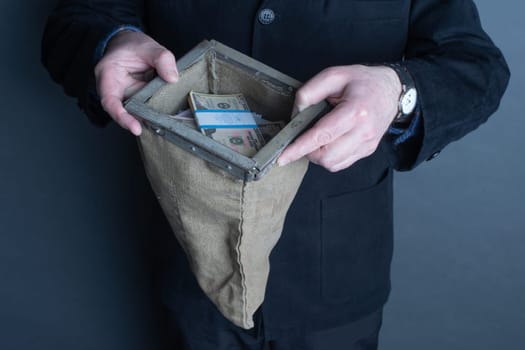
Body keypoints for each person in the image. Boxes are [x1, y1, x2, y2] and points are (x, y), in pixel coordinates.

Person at [42, 1, 509, 349]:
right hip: (189, 268)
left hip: (334, 283)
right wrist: (114, 40)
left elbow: (476, 64)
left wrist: (399, 89)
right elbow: (79, 15)